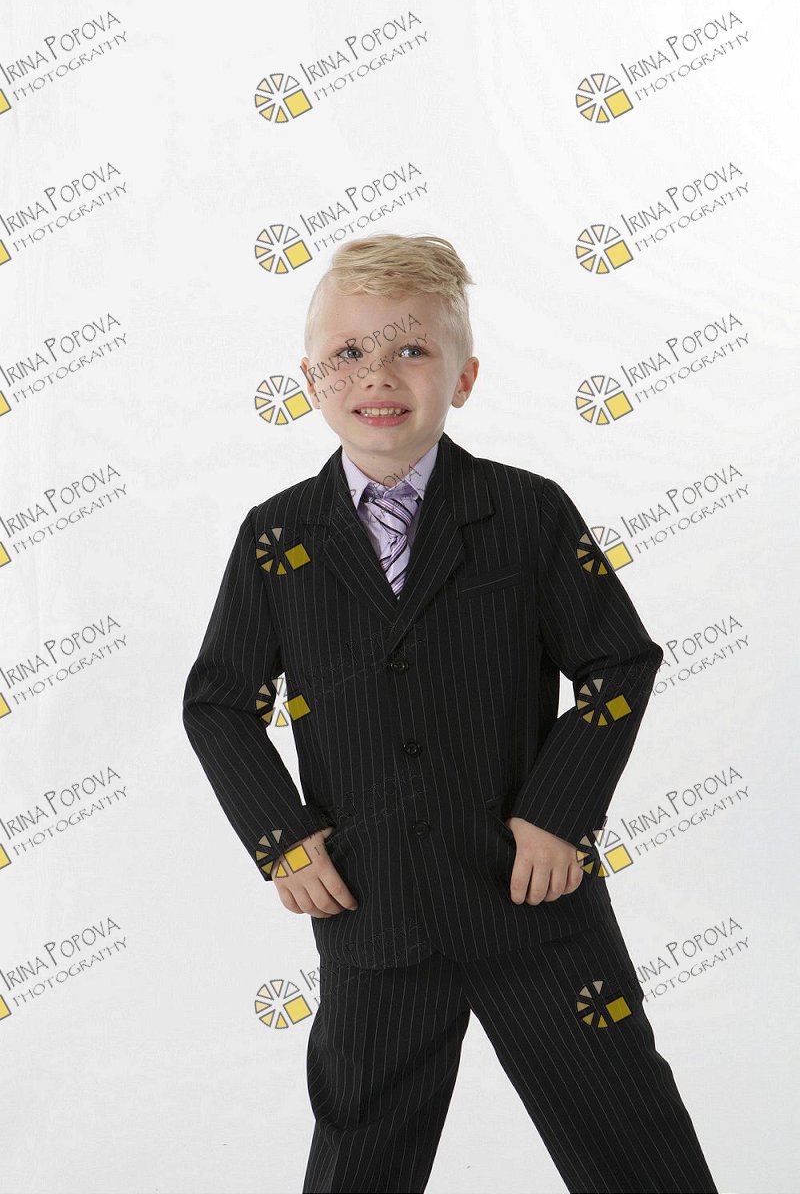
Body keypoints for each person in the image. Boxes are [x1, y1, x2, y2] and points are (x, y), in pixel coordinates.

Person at [182, 232, 719, 1193]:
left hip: (534, 904)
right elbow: (219, 703)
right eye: (348, 352)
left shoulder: (529, 513)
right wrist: (282, 840)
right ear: (309, 380)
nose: (377, 375)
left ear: (464, 378)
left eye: (412, 349)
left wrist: (558, 812)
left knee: (630, 1131)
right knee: (361, 1152)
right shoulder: (276, 537)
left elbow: (618, 662)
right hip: (372, 909)